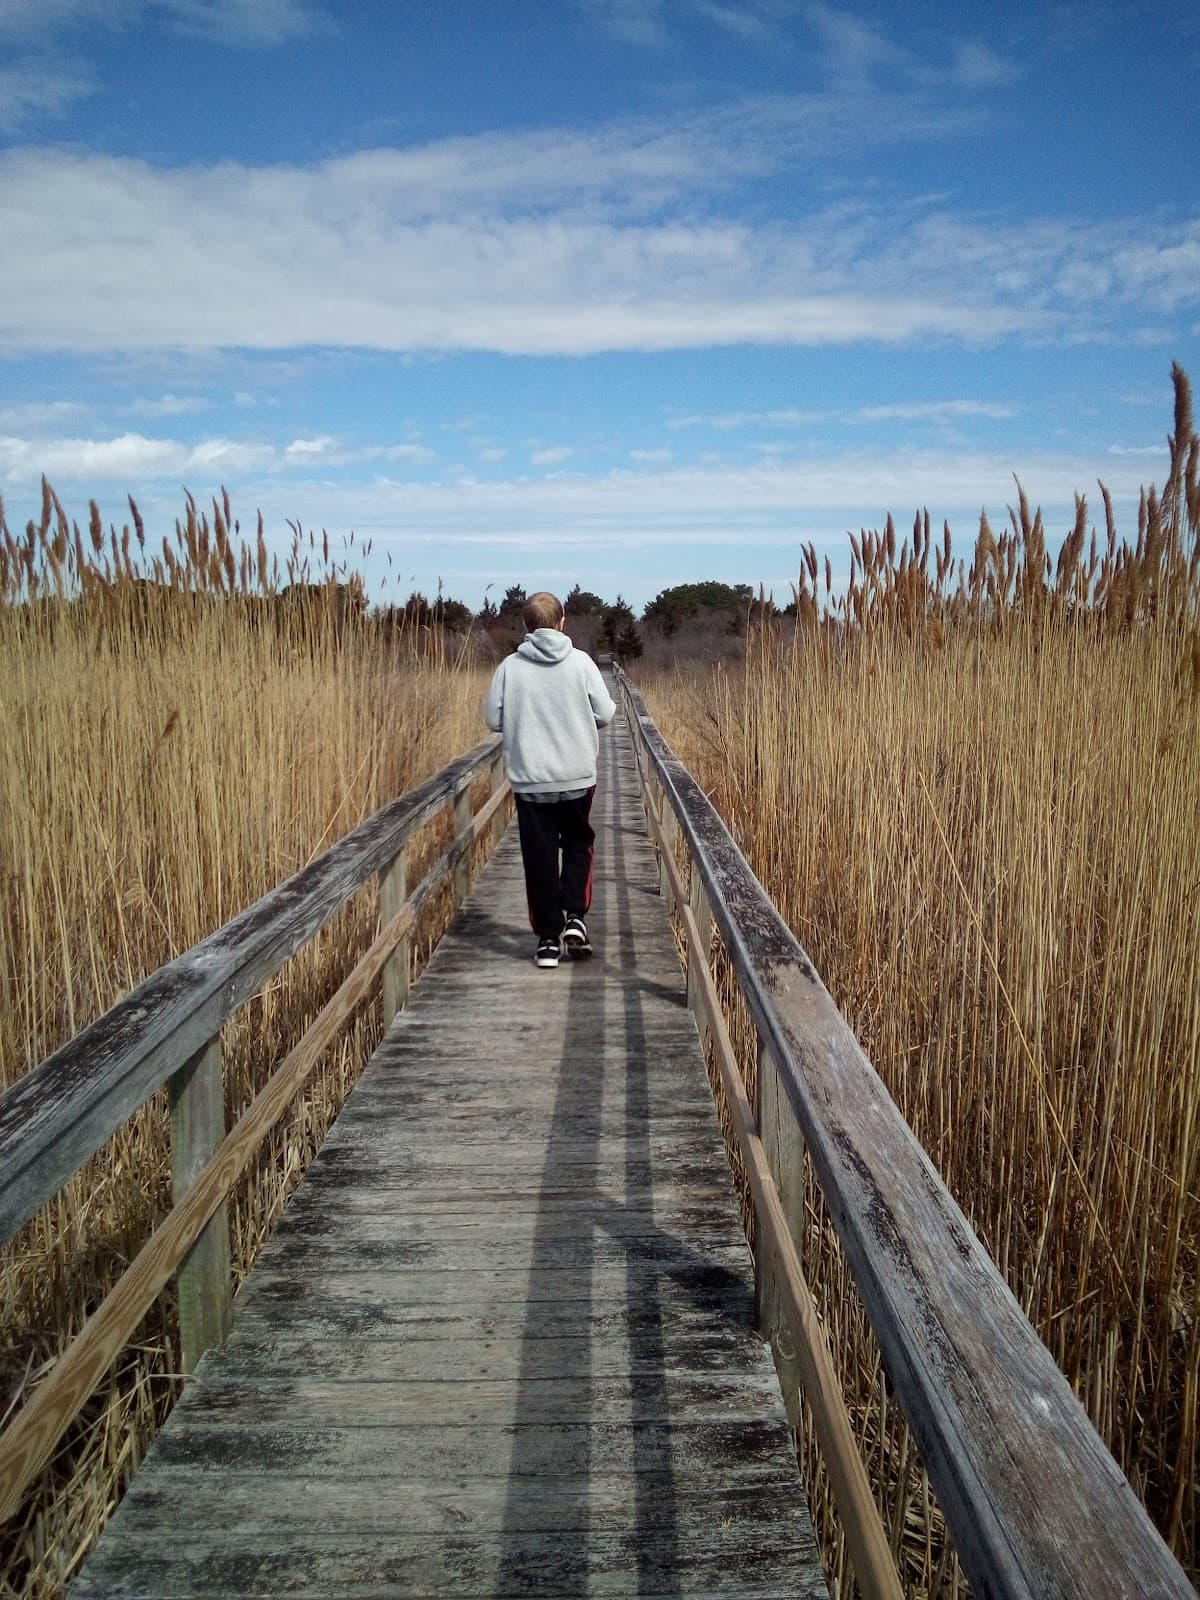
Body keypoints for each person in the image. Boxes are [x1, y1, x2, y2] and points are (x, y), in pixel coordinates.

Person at [483, 591, 617, 968]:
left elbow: (493, 719)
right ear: (562, 623)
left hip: (530, 781)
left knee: (539, 857)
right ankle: (576, 918)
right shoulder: (581, 663)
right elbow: (605, 713)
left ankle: (546, 941)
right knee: (578, 844)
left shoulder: (510, 667)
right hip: (576, 776)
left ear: (526, 626)